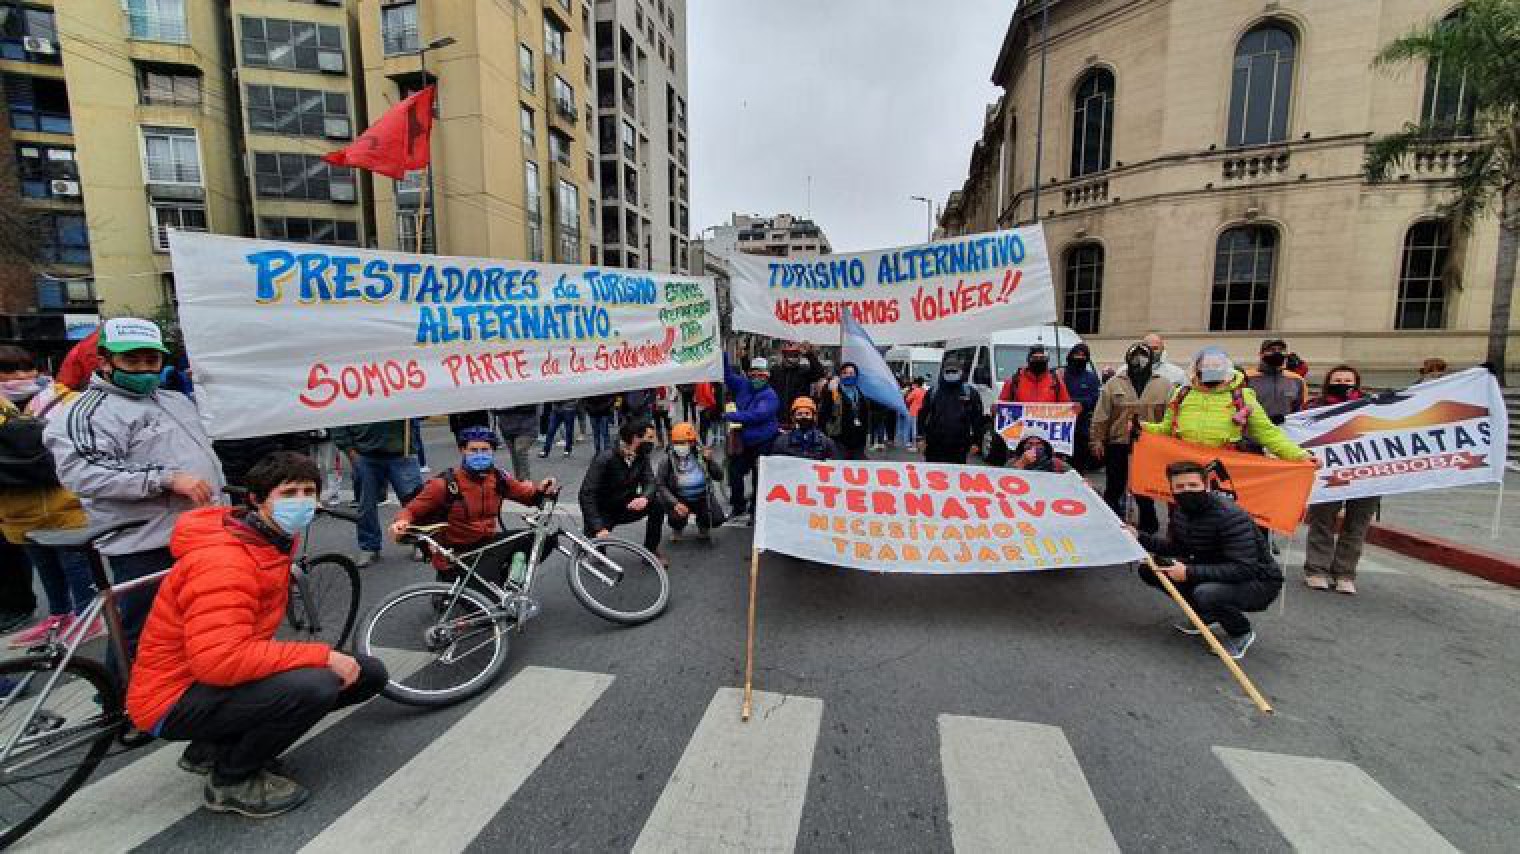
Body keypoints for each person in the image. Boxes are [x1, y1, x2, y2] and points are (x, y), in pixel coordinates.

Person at [129, 452, 388, 817]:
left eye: (308, 491)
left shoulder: (268, 541)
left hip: (205, 682)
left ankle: (213, 747)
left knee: (367, 673)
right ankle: (231, 780)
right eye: (288, 493)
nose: (301, 502)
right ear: (256, 500)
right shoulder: (225, 562)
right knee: (318, 684)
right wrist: (322, 655)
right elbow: (219, 661)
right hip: (172, 699)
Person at [43, 317, 225, 674]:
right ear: (105, 361)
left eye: (151, 360)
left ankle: (166, 692)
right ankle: (118, 705)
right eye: (133, 360)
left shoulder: (174, 399)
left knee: (190, 618)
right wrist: (164, 479)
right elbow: (83, 472)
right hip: (144, 541)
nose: (144, 368)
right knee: (142, 627)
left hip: (197, 529)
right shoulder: (85, 412)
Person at [1131, 460, 1283, 660]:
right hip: (1214, 568)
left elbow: (1244, 568)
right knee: (1150, 570)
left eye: (1193, 486)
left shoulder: (1230, 516)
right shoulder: (1181, 512)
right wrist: (1139, 537)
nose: (1186, 491)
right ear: (1172, 489)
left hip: (1259, 581)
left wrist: (1189, 573)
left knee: (1206, 593)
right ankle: (1208, 615)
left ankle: (1241, 633)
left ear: (1206, 485)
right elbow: (1177, 547)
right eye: (1180, 487)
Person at [0, 346, 95, 642]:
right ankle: (60, 615)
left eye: (27, 368)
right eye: (10, 370)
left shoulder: (66, 399)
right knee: (45, 566)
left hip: (66, 502)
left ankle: (88, 616)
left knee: (75, 564)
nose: (21, 376)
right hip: (17, 506)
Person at [389, 427, 558, 583]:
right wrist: (401, 522)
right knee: (487, 607)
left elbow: (528, 496)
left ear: (492, 451)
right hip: (456, 553)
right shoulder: (444, 484)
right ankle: (452, 586)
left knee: (544, 538)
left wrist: (542, 489)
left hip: (488, 545)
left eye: (485, 450)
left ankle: (509, 579)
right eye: (473, 450)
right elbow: (410, 511)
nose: (480, 455)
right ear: (463, 451)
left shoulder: (498, 478)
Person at [1142, 347, 1311, 463]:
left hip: (1225, 469)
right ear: (1196, 368)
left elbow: (1267, 433)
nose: (1211, 368)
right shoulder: (1182, 394)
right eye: (1206, 365)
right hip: (1185, 470)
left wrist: (1299, 455)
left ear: (1226, 368)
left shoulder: (1242, 396)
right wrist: (1140, 427)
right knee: (1181, 515)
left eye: (1216, 365)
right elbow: (1165, 429)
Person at [1301, 366, 1379, 595]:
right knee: (1322, 522)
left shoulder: (1373, 405)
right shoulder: (1314, 407)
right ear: (1328, 382)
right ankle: (1316, 570)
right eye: (1338, 380)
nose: (1343, 383)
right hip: (1328, 476)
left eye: (1348, 380)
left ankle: (1345, 573)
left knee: (1356, 526)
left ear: (1357, 383)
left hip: (1366, 477)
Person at [1090, 342, 1175, 536]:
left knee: (1143, 488)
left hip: (1148, 446)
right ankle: (1110, 522)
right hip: (1118, 443)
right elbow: (1101, 416)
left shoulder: (1164, 384)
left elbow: (1170, 418)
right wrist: (1096, 440)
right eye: (1134, 355)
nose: (1139, 359)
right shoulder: (1114, 383)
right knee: (1114, 486)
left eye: (1143, 355)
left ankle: (1148, 525)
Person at [330, 420, 422, 567]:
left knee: (415, 502)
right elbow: (339, 417)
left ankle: (420, 541)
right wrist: (349, 449)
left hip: (402, 452)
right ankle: (369, 547)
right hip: (365, 454)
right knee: (366, 504)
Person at [579, 420, 665, 560]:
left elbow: (650, 481)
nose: (653, 442)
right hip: (603, 511)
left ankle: (651, 550)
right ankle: (597, 545)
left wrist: (644, 497)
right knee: (597, 556)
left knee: (657, 504)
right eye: (649, 438)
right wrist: (597, 526)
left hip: (627, 505)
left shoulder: (641, 457)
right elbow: (586, 494)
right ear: (635, 438)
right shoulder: (605, 458)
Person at [722, 354, 780, 523]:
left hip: (763, 441)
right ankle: (738, 506)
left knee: (759, 478)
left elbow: (758, 415)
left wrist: (734, 416)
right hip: (743, 441)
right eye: (753, 374)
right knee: (734, 472)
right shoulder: (742, 385)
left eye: (761, 375)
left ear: (767, 376)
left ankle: (756, 511)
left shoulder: (770, 395)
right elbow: (726, 376)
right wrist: (723, 354)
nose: (756, 378)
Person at [655, 422, 724, 541]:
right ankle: (677, 528)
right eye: (676, 443)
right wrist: (675, 503)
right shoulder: (667, 461)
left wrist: (710, 461)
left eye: (683, 443)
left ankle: (703, 525)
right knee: (676, 516)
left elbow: (719, 476)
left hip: (702, 497)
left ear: (692, 442)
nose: (679, 446)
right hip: (680, 497)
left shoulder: (702, 455)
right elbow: (660, 485)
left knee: (716, 518)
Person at [917, 360, 984, 464]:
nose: (951, 374)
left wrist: (977, 442)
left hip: (959, 447)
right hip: (934, 446)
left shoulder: (970, 393)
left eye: (954, 371)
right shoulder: (934, 392)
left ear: (961, 372)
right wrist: (920, 438)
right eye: (948, 371)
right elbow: (922, 415)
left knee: (956, 477)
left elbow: (977, 419)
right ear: (943, 372)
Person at [1245, 338, 1309, 426]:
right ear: (1261, 354)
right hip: (1252, 436)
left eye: (1281, 350)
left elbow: (1301, 410)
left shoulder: (1297, 380)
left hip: (1285, 434)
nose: (1277, 353)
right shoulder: (1246, 378)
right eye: (1271, 350)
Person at [1063, 343, 1103, 471]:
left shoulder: (1091, 377)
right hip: (1061, 427)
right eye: (1077, 355)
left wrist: (1083, 405)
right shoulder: (1059, 375)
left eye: (1083, 355)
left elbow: (1096, 398)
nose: (1079, 358)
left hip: (1081, 427)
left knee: (1078, 465)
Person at [821, 362, 873, 460]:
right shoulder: (833, 391)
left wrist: (865, 436)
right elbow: (824, 412)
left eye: (851, 373)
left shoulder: (861, 394)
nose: (848, 375)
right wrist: (829, 389)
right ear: (840, 375)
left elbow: (865, 416)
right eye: (845, 373)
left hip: (858, 441)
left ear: (856, 375)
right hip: (838, 439)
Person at [767, 342, 825, 428]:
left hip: (799, 416)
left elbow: (819, 373)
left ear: (799, 356)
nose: (791, 358)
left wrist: (809, 354)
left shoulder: (803, 371)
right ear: (783, 356)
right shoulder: (775, 371)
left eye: (795, 355)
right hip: (777, 418)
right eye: (788, 355)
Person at [997, 344, 1071, 404]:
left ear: (1047, 361)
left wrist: (1074, 409)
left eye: (1042, 358)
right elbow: (1002, 404)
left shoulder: (1056, 382)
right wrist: (995, 409)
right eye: (1035, 358)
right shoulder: (1014, 381)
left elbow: (1066, 406)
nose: (1039, 360)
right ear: (1029, 360)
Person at [773, 397, 839, 461]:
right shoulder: (781, 442)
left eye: (807, 414)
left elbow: (835, 465)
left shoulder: (826, 443)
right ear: (793, 417)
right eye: (799, 414)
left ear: (814, 417)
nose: (803, 417)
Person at [493, 404, 538, 480]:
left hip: (526, 427)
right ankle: (519, 483)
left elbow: (531, 406)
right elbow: (494, 410)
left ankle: (526, 483)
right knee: (514, 457)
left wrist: (510, 406)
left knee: (520, 451)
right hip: (506, 428)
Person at [901, 378, 926, 450]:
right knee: (919, 429)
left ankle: (914, 446)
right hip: (922, 412)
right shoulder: (924, 391)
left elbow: (908, 399)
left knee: (914, 429)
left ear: (916, 384)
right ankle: (919, 445)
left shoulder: (915, 391)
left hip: (914, 411)